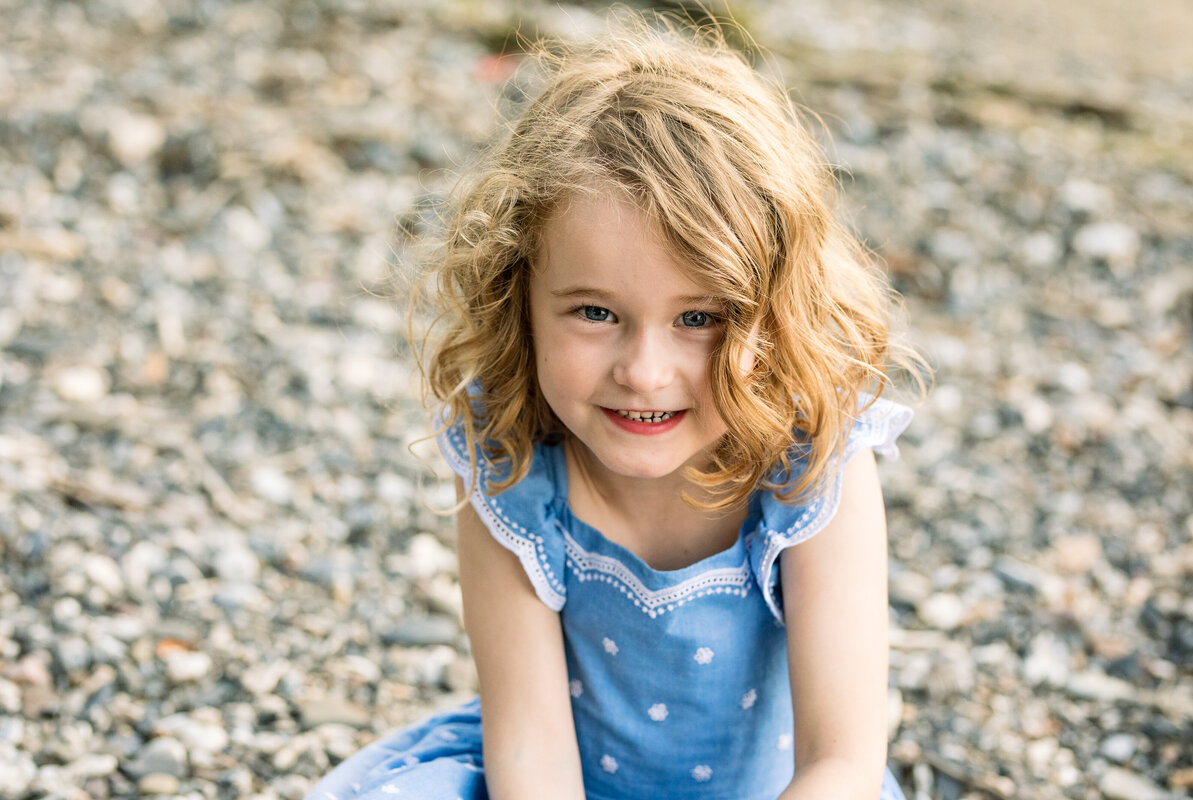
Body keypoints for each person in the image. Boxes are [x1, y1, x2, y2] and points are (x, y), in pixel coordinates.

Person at [307, 14, 921, 800]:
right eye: (595, 313)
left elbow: (842, 762)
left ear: (774, 313)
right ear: (517, 294)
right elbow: (529, 748)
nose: (644, 370)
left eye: (700, 318)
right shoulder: (511, 460)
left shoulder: (813, 465)